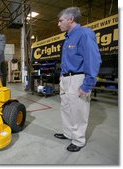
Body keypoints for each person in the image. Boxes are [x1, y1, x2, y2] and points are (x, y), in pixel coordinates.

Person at [54, 7, 102, 152]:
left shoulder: (85, 34)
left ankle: (79, 140)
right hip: (66, 78)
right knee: (67, 109)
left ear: (71, 19)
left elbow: (93, 60)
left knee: (78, 111)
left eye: (61, 20)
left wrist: (87, 85)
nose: (58, 24)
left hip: (78, 79)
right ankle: (68, 133)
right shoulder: (68, 37)